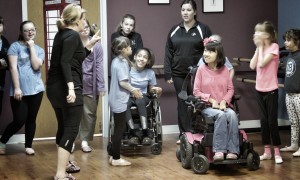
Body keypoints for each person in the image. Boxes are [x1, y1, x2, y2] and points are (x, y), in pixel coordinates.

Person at [46, 4, 100, 179]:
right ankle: (60, 175)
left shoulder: (62, 35)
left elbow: (74, 61)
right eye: (83, 18)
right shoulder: (73, 36)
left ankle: (66, 165)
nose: (85, 21)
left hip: (54, 88)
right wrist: (71, 87)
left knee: (63, 128)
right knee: (70, 130)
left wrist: (89, 45)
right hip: (67, 88)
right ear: (76, 21)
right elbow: (65, 63)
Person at [164, 0, 212, 144]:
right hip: (178, 73)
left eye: (189, 10)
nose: (185, 12)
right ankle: (185, 133)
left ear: (195, 12)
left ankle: (198, 131)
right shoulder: (174, 30)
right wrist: (167, 72)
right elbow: (168, 52)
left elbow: (210, 50)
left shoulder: (203, 29)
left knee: (198, 102)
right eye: (183, 10)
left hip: (198, 73)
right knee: (183, 102)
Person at [0, 20, 44, 155]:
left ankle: (28, 146)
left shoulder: (39, 50)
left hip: (36, 89)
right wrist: (17, 88)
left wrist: (31, 47)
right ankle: (2, 141)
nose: (30, 32)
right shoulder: (14, 47)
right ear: (21, 32)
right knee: (19, 120)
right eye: (26, 30)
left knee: (31, 119)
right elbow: (12, 67)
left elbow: (36, 66)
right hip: (20, 90)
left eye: (32, 29)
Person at [193, 39, 239, 161]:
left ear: (218, 54)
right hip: (207, 107)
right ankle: (219, 150)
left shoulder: (224, 69)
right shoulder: (201, 69)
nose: (205, 54)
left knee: (232, 115)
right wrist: (212, 100)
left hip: (223, 106)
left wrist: (224, 101)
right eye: (205, 50)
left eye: (210, 52)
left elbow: (230, 89)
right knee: (221, 116)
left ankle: (233, 150)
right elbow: (196, 91)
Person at [249, 21, 283, 164]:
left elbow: (263, 63)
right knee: (263, 121)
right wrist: (258, 49)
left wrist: (261, 47)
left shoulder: (274, 47)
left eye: (258, 32)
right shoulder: (260, 49)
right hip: (260, 89)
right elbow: (252, 65)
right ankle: (267, 151)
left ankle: (277, 151)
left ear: (267, 35)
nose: (255, 35)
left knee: (271, 121)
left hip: (271, 90)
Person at [108, 36, 143, 166]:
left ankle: (112, 155)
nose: (131, 48)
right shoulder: (121, 63)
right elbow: (123, 83)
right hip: (119, 99)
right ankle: (116, 158)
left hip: (116, 99)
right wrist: (134, 90)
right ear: (122, 49)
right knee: (119, 129)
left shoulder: (117, 61)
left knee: (118, 128)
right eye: (128, 46)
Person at [77, 20, 105, 153]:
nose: (85, 29)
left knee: (89, 114)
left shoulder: (97, 46)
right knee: (73, 114)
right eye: (82, 27)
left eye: (87, 26)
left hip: (90, 84)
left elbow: (99, 67)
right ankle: (69, 141)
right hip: (75, 83)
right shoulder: (73, 43)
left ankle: (85, 141)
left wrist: (101, 86)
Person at [126, 48, 162, 145]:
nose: (141, 59)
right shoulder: (127, 70)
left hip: (143, 96)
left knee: (140, 101)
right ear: (135, 57)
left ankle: (145, 132)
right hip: (129, 96)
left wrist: (157, 89)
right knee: (125, 104)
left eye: (145, 57)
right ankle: (133, 133)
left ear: (148, 61)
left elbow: (151, 89)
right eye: (139, 56)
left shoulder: (150, 73)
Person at [279, 29, 300, 156]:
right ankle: (294, 144)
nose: (285, 43)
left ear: (297, 41)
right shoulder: (289, 56)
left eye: (288, 40)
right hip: (289, 94)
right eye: (285, 40)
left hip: (299, 95)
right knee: (293, 122)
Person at [0, 16, 10, 118]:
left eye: (0, 24)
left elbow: (8, 63)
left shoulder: (5, 41)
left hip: (0, 81)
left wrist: (4, 65)